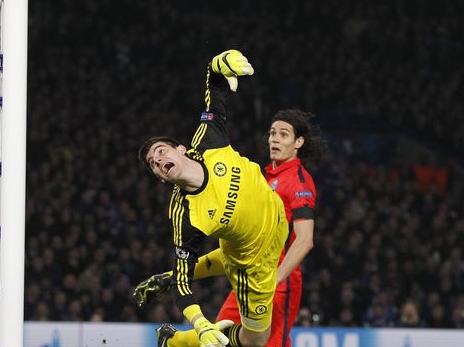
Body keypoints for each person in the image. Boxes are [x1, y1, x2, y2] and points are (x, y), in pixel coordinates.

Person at [135, 108, 326, 347]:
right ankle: (173, 341)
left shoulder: (298, 181)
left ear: (299, 142)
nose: (275, 139)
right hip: (246, 275)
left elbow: (304, 240)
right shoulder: (262, 176)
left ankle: (176, 342)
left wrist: (274, 280)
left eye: (284, 134)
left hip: (279, 281)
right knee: (220, 339)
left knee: (258, 343)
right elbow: (230, 256)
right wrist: (173, 277)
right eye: (272, 133)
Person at [137, 50, 289, 347]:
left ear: (180, 149)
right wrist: (204, 326)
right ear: (161, 178)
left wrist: (219, 65)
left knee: (231, 254)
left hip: (279, 223)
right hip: (254, 267)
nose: (159, 160)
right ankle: (176, 342)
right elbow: (184, 283)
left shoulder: (208, 141)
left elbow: (216, 89)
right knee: (256, 341)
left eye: (161, 151)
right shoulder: (186, 215)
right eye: (154, 164)